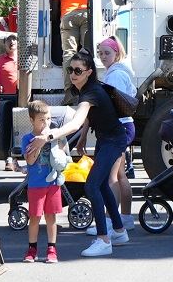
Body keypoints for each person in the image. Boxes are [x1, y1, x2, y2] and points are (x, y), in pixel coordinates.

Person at [29, 55, 128, 257]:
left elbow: (75, 122)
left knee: (91, 185)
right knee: (98, 184)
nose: (73, 74)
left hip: (114, 139)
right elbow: (90, 118)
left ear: (89, 72)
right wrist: (82, 138)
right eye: (70, 70)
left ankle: (104, 240)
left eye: (78, 71)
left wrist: (48, 136)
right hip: (106, 139)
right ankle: (118, 231)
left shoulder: (91, 92)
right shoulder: (85, 90)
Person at [95, 36, 138, 231]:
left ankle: (110, 221)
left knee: (111, 177)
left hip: (119, 127)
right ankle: (126, 218)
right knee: (120, 176)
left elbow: (113, 105)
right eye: (101, 53)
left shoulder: (114, 75)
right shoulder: (120, 72)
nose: (103, 57)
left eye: (107, 53)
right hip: (125, 126)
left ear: (117, 53)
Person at [18, 100, 63, 263]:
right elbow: (30, 162)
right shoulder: (27, 139)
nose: (46, 123)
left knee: (51, 217)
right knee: (35, 217)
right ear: (32, 120)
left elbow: (62, 155)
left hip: (52, 184)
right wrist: (38, 143)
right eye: (42, 120)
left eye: (49, 119)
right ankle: (32, 249)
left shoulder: (54, 136)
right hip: (36, 184)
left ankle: (52, 249)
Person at [0, 35, 21, 170]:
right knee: (9, 128)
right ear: (4, 43)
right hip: (6, 100)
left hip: (22, 99)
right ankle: (10, 159)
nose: (12, 42)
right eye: (9, 40)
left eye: (14, 39)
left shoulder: (24, 59)